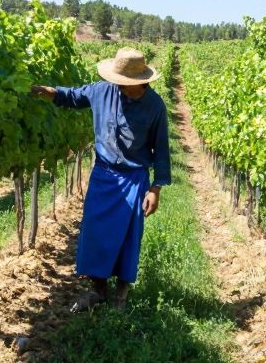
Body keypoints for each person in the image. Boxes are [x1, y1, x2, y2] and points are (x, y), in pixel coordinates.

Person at [31, 47, 170, 311]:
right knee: (95, 232)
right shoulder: (102, 91)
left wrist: (156, 187)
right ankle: (98, 289)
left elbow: (161, 149)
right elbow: (74, 96)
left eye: (124, 83)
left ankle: (121, 293)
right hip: (103, 175)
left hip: (134, 179)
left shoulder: (155, 107)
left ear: (140, 81)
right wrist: (51, 92)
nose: (118, 86)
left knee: (128, 237)